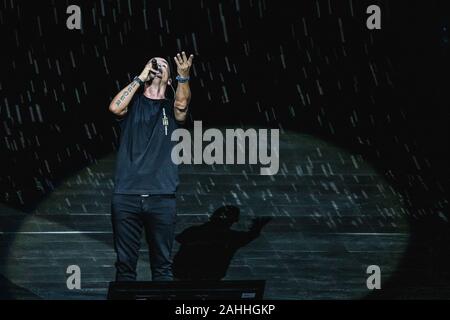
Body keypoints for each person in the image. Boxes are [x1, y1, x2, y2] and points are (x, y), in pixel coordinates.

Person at [108, 52, 194, 281]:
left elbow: (182, 106)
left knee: (163, 267)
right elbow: (115, 108)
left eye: (163, 64)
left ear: (168, 78)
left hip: (161, 197)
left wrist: (183, 77)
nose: (157, 66)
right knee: (125, 267)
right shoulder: (133, 105)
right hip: (126, 196)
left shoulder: (170, 107)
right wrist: (140, 77)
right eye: (153, 63)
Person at [173, 205, 272, 280]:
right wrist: (257, 227)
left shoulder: (192, 231)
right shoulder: (231, 237)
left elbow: (179, 238)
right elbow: (250, 236)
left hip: (183, 274)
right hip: (211, 277)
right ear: (231, 222)